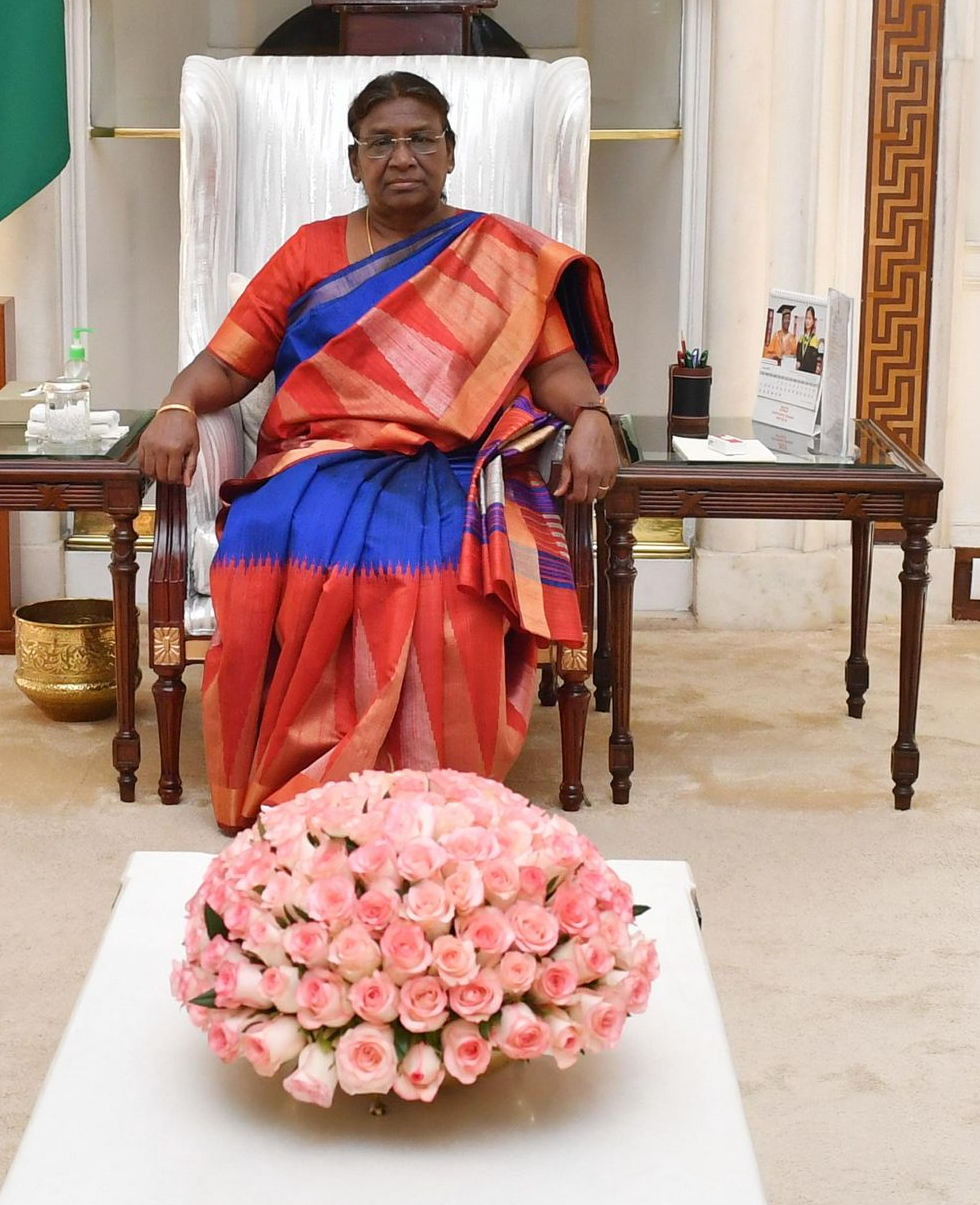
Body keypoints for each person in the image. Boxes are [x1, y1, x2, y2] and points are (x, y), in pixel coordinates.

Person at [135, 71, 618, 833]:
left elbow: (555, 366)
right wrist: (176, 404)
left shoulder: (501, 253)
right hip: (318, 457)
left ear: (451, 151)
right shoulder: (310, 250)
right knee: (271, 543)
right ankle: (310, 781)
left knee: (454, 582)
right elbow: (228, 364)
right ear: (353, 160)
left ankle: (441, 792)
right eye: (381, 142)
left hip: (452, 464)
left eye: (421, 138)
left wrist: (591, 415)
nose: (402, 156)